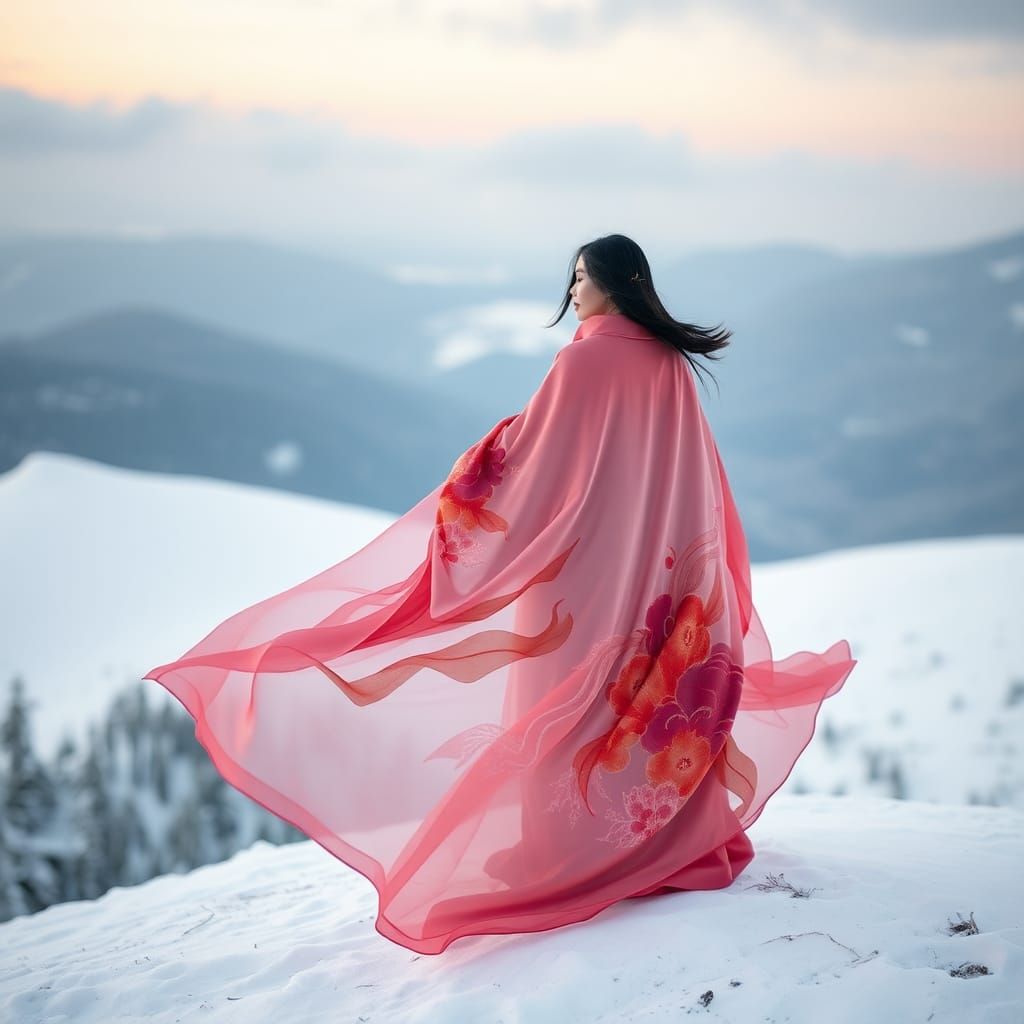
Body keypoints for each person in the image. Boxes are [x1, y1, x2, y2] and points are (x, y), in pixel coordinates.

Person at [144, 233, 857, 955]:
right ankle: (660, 846)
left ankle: (565, 852)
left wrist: (478, 464)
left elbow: (531, 465)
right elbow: (693, 473)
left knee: (564, 696)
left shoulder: (582, 359)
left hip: (586, 569)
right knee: (642, 696)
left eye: (581, 278)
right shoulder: (668, 360)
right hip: (662, 566)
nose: (574, 291)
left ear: (613, 283)